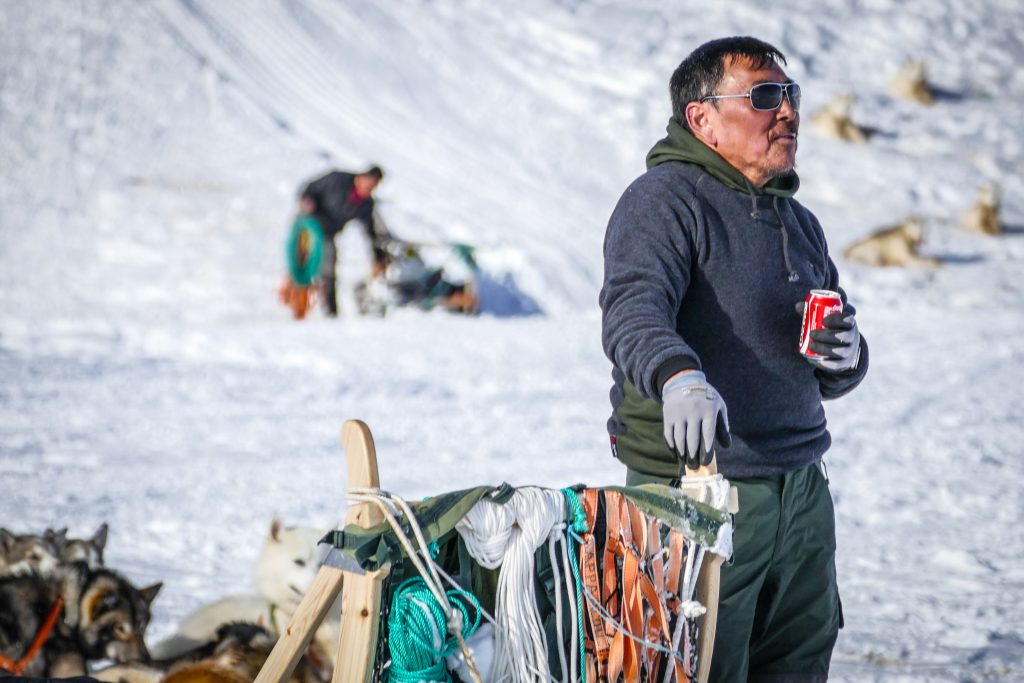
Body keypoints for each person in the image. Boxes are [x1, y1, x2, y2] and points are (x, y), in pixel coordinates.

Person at [600, 36, 869, 682]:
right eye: (766, 97)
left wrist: (847, 354)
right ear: (704, 119)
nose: (789, 113)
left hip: (802, 492)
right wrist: (678, 375)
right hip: (695, 492)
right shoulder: (664, 200)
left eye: (792, 95)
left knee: (799, 661)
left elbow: (831, 352)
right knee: (697, 665)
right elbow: (633, 309)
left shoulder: (798, 222)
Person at [298, 165, 386, 316]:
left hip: (328, 234)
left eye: (373, 187)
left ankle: (330, 312)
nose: (368, 189)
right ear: (362, 177)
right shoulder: (337, 179)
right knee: (300, 267)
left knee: (329, 270)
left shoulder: (365, 204)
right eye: (368, 184)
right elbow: (311, 188)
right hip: (308, 226)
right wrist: (308, 200)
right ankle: (297, 306)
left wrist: (378, 257)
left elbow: (370, 232)